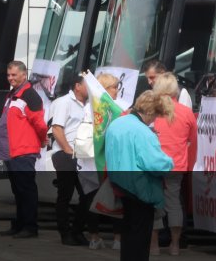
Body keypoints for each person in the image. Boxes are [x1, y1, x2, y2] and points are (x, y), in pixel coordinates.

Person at [106, 90, 174, 261]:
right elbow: (154, 163)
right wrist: (169, 162)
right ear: (152, 112)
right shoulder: (143, 132)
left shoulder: (116, 124)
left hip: (120, 186)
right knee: (140, 238)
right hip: (140, 189)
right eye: (156, 115)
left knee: (128, 233)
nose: (155, 120)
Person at [0, 61, 47, 239]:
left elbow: (40, 124)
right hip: (12, 151)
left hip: (23, 151)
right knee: (18, 190)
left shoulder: (30, 95)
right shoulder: (13, 94)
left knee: (26, 190)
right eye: (8, 75)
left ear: (24, 75)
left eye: (14, 75)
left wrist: (42, 140)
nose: (10, 78)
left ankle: (30, 227)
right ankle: (20, 224)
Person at [149, 73, 196, 256]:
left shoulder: (152, 110)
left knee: (154, 203)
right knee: (174, 202)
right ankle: (175, 245)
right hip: (177, 165)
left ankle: (153, 246)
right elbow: (192, 140)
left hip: (153, 164)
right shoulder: (186, 112)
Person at [51, 75, 93, 246]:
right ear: (77, 86)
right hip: (65, 154)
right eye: (87, 85)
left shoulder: (89, 104)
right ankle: (65, 233)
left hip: (83, 156)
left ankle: (77, 231)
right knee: (65, 195)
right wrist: (68, 149)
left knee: (87, 195)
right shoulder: (64, 102)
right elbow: (57, 128)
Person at [87, 73, 125, 251]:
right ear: (104, 89)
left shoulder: (113, 107)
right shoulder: (110, 109)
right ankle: (102, 238)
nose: (117, 91)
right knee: (103, 198)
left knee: (108, 199)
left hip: (102, 160)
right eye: (114, 87)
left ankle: (108, 238)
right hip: (98, 161)